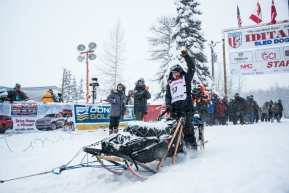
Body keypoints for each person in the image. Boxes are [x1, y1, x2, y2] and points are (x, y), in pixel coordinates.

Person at [165, 50, 197, 149]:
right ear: (171, 75)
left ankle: (192, 150)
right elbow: (168, 97)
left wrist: (186, 56)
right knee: (174, 131)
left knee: (188, 130)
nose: (176, 75)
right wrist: (168, 106)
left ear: (181, 73)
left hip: (187, 109)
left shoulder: (186, 79)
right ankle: (177, 149)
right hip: (175, 110)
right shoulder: (170, 84)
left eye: (177, 72)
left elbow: (192, 68)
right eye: (174, 73)